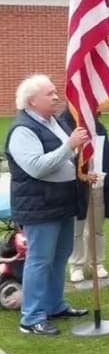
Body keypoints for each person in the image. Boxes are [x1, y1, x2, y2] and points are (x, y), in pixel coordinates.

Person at [3, 75, 90, 335]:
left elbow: (64, 159)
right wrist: (69, 145)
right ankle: (31, 317)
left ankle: (54, 305)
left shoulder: (51, 122)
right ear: (32, 101)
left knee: (59, 257)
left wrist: (82, 170)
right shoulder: (23, 130)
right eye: (50, 93)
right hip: (39, 207)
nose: (56, 97)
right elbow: (37, 167)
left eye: (55, 92)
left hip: (61, 202)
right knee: (40, 261)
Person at [66, 114, 109, 282]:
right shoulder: (70, 128)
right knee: (76, 230)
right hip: (77, 189)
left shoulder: (101, 130)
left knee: (96, 229)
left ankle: (97, 263)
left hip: (98, 186)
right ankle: (76, 265)